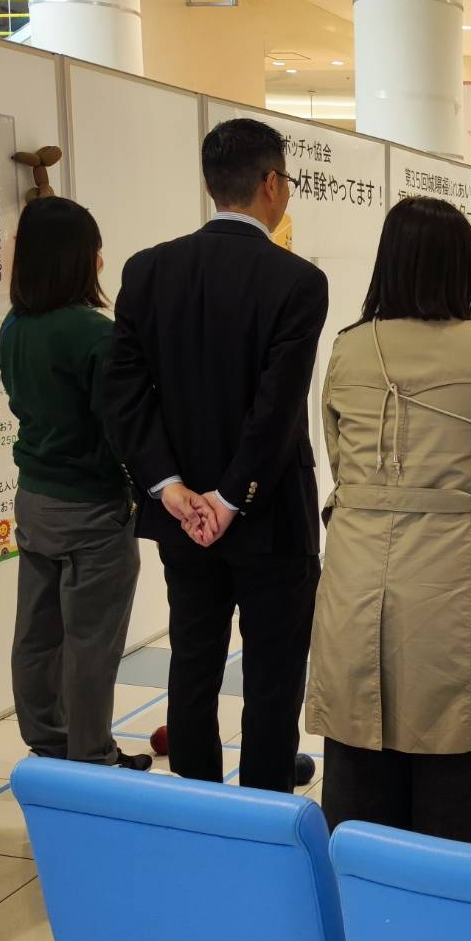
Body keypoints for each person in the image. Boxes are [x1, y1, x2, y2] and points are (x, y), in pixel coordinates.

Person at [101, 119, 328, 793]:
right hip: (270, 515)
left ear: (210, 185)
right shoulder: (297, 281)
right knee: (273, 673)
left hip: (182, 516)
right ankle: (262, 807)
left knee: (193, 660)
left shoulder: (147, 270)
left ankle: (196, 803)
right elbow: (277, 409)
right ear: (271, 183)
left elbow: (123, 392)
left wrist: (169, 487)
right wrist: (231, 499)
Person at [305, 197, 471, 843]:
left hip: (356, 569)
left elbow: (340, 461)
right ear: (462, 268)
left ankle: (364, 891)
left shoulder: (349, 349)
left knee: (360, 738)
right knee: (455, 746)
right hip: (456, 572)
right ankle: (452, 899)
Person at [0, 197, 151, 772]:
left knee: (37, 633)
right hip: (92, 507)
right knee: (91, 643)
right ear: (78, 257)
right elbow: (120, 428)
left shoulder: (14, 327)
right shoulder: (94, 334)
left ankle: (48, 743)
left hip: (34, 497)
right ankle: (93, 758)